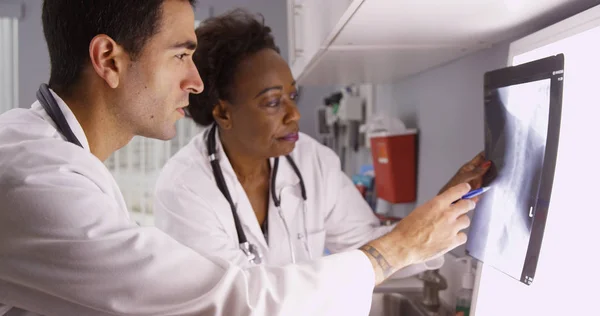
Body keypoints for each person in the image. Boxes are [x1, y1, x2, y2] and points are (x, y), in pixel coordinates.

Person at [0, 1, 479, 315]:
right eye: (179, 56)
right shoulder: (38, 182)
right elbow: (229, 302)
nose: (196, 82)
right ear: (108, 60)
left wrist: (440, 219)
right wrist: (394, 250)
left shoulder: (57, 161)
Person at [153, 8, 491, 274]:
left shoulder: (312, 160)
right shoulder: (184, 187)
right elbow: (236, 302)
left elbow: (370, 247)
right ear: (223, 114)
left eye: (292, 96)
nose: (294, 114)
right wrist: (397, 247)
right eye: (273, 102)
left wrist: (444, 205)